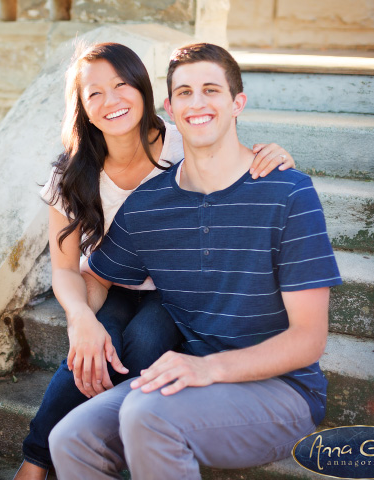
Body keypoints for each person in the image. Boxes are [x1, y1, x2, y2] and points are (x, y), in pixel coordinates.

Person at [48, 43, 342, 479]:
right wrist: (81, 320)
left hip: (282, 391)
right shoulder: (148, 205)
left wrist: (207, 368)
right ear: (169, 107)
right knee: (70, 439)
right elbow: (92, 277)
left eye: (211, 90)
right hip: (189, 378)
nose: (197, 102)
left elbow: (309, 339)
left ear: (237, 103)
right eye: (184, 92)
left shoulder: (288, 194)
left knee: (147, 415)